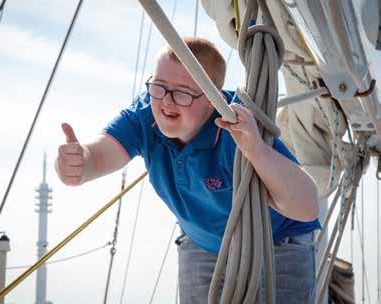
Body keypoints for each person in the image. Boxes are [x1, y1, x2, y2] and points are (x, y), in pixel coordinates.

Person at [56, 37, 320, 303]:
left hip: (276, 243)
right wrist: (78, 162)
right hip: (201, 243)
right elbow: (98, 156)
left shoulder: (238, 128)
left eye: (182, 92)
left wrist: (256, 151)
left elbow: (307, 206)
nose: (166, 101)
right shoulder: (145, 114)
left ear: (212, 98)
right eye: (159, 86)